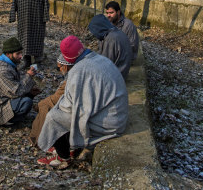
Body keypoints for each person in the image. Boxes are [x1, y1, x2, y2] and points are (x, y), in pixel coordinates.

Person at [36, 36, 128, 168]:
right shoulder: (100, 58)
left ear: (67, 60)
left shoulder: (79, 71)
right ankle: (70, 145)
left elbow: (69, 107)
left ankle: (63, 157)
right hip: (118, 116)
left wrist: (58, 105)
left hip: (109, 124)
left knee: (53, 117)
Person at [0, 37, 41, 125]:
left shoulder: (6, 64)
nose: (21, 56)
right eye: (18, 54)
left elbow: (14, 82)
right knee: (26, 102)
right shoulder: (2, 71)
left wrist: (29, 90)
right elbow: (16, 92)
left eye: (21, 53)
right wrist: (29, 76)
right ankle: (10, 121)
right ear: (8, 54)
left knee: (28, 94)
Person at [9, 0, 50, 68]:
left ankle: (38, 60)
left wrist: (45, 17)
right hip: (23, 19)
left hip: (37, 19)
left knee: (37, 39)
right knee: (24, 40)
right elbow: (14, 1)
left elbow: (45, 2)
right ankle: (27, 61)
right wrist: (12, 15)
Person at [29, 54, 73, 147]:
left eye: (59, 68)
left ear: (65, 66)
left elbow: (54, 99)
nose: (59, 70)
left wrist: (39, 105)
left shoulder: (70, 80)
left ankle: (39, 140)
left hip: (72, 112)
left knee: (45, 106)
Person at [88, 14, 132, 79]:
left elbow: (106, 63)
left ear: (98, 28)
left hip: (117, 75)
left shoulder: (111, 38)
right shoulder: (115, 31)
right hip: (122, 71)